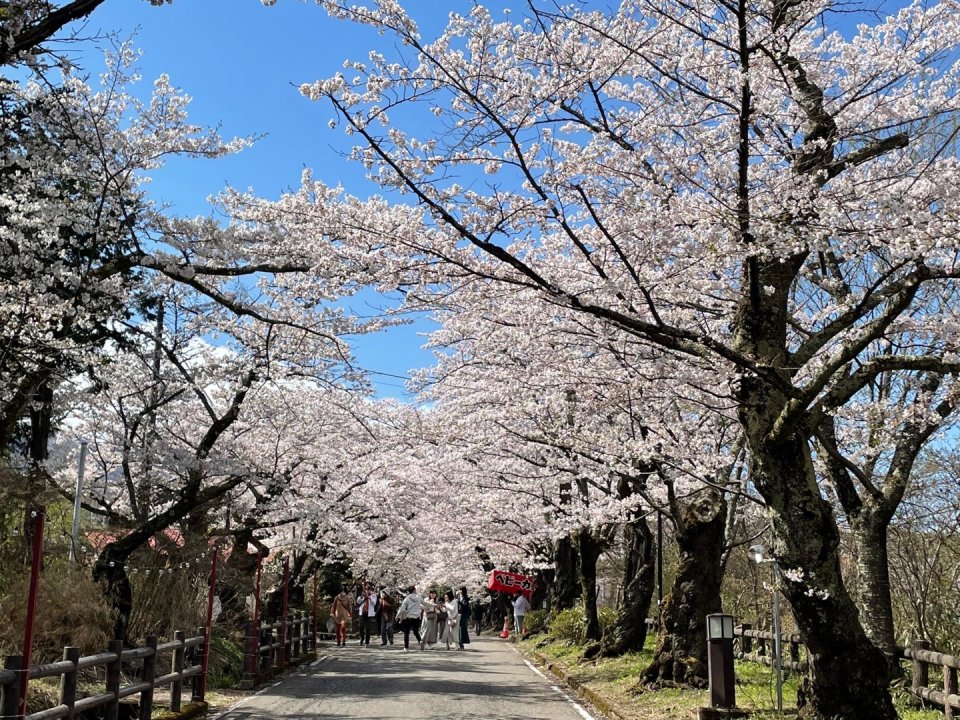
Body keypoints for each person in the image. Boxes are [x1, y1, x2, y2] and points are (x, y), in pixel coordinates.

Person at [396, 586, 423, 651]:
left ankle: (406, 647)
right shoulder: (419, 598)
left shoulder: (407, 599)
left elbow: (402, 609)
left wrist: (397, 616)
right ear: (414, 590)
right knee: (416, 632)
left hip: (408, 618)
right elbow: (425, 603)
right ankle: (420, 641)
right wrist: (433, 605)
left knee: (406, 633)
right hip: (416, 618)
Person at [356, 581, 378, 646]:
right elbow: (358, 601)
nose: (367, 588)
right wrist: (362, 596)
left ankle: (367, 642)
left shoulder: (373, 595)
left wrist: (369, 597)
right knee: (361, 626)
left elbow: (374, 603)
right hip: (362, 612)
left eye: (369, 587)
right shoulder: (363, 593)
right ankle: (362, 638)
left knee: (368, 628)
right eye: (366, 587)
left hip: (369, 613)